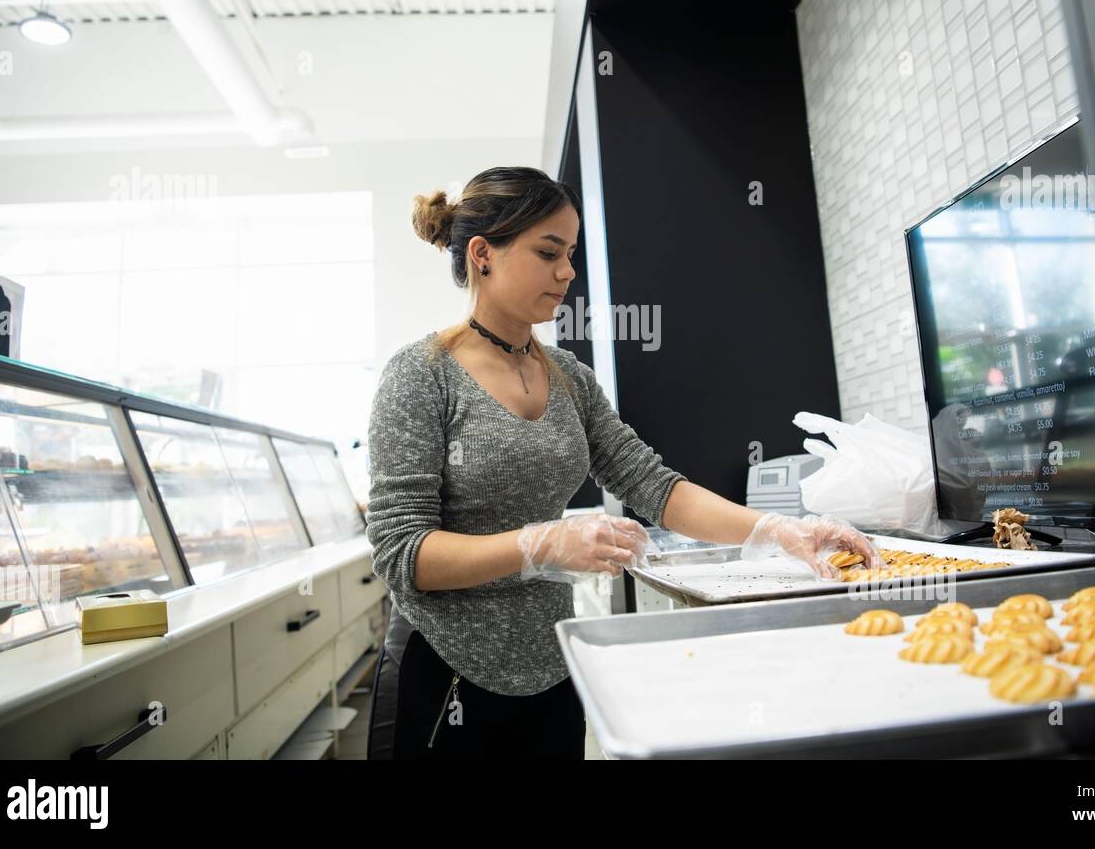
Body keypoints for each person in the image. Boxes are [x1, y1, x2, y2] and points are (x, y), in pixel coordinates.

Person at [365, 166, 882, 759]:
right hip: (446, 673)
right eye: (548, 252)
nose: (567, 272)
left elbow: (655, 486)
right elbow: (402, 553)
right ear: (483, 254)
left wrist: (777, 530)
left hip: (554, 669)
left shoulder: (570, 378)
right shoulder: (422, 375)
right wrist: (540, 544)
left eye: (571, 253)